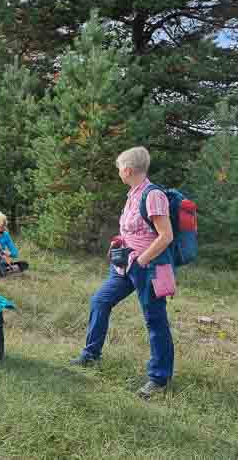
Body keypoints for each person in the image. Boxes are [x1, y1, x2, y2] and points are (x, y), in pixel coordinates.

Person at [69, 146, 176, 400]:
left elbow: (166, 236)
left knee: (154, 320)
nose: (118, 172)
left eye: (119, 168)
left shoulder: (153, 195)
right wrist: (120, 241)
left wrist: (142, 259)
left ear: (127, 170)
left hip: (147, 268)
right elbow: (136, 229)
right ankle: (91, 355)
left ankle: (159, 379)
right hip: (123, 267)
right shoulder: (132, 195)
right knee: (100, 301)